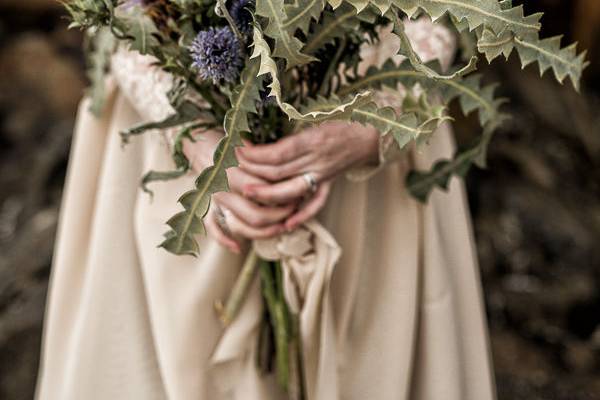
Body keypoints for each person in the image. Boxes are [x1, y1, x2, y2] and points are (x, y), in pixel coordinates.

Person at [36, 17, 496, 400]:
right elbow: (122, 15)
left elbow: (449, 9)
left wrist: (383, 119)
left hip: (373, 118)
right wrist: (190, 131)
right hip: (178, 137)